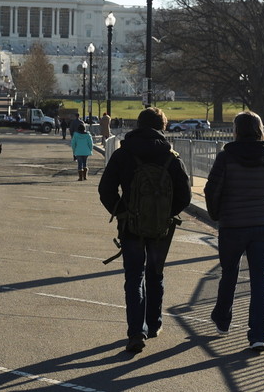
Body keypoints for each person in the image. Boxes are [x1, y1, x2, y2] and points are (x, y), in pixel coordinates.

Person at [98, 107, 191, 353]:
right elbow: (185, 195)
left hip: (131, 224)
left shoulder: (124, 153)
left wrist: (121, 211)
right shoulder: (171, 155)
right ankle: (154, 323)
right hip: (161, 227)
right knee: (155, 274)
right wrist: (166, 214)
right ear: (163, 126)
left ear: (138, 125)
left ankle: (135, 332)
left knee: (134, 277)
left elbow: (105, 189)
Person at [205, 111, 264, 353]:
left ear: (237, 130)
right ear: (259, 129)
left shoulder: (225, 157)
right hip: (261, 226)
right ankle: (258, 335)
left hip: (232, 225)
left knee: (229, 273)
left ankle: (223, 320)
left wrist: (217, 214)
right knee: (260, 279)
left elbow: (212, 189)